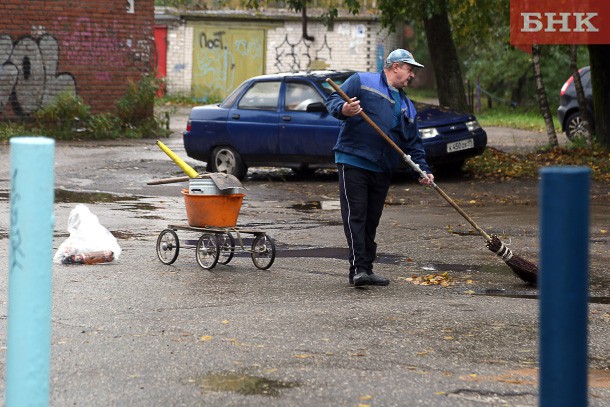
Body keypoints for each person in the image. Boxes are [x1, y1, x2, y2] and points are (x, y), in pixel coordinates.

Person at [325, 48, 435, 287]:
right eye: (409, 69)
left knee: (371, 220)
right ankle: (360, 269)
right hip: (353, 160)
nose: (412, 75)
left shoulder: (407, 106)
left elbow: (413, 143)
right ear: (396, 67)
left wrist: (423, 170)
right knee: (357, 215)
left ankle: (365, 269)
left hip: (382, 167)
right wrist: (345, 109)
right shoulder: (362, 81)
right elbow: (333, 100)